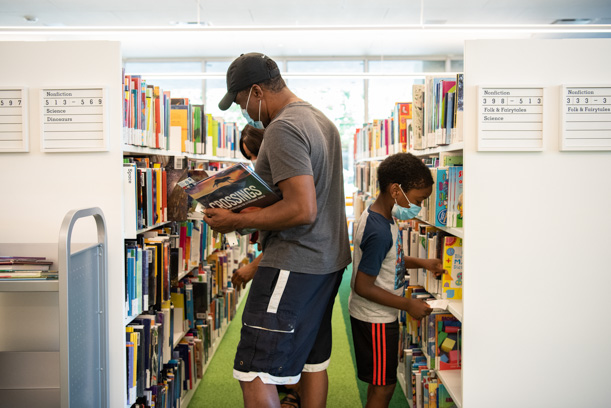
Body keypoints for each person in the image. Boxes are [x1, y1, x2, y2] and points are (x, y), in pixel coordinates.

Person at [205, 52, 351, 408]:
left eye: (241, 101)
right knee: (312, 362)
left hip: (294, 262)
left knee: (255, 370)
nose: (243, 110)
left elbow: (302, 208)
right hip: (326, 260)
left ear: (256, 91)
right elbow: (308, 193)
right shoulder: (320, 120)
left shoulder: (282, 128)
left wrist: (236, 219)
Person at [349, 153, 445, 408]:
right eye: (417, 200)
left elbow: (391, 258)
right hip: (375, 319)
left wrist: (423, 262)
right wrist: (407, 305)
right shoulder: (379, 231)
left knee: (379, 381)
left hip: (376, 316)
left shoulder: (379, 215)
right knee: (385, 385)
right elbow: (362, 285)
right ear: (395, 190)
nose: (419, 207)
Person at [235, 124, 302, 408]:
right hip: (282, 261)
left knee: (270, 341)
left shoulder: (284, 178)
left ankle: (293, 392)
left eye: (254, 155)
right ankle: (292, 392)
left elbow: (284, 236)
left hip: (286, 265)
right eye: (249, 157)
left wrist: (252, 268)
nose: (253, 163)